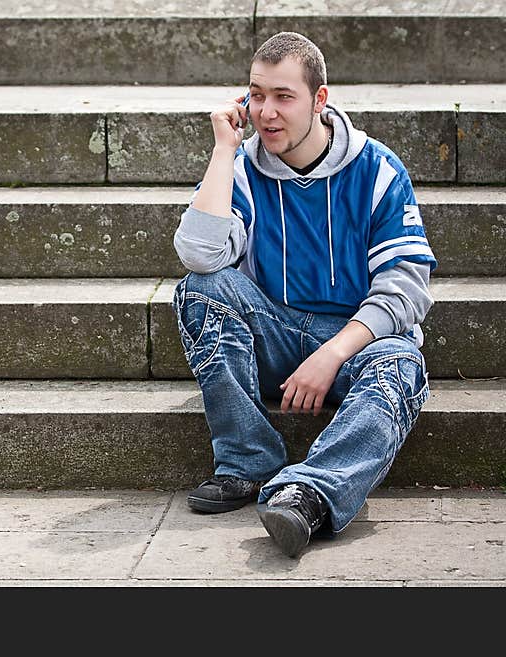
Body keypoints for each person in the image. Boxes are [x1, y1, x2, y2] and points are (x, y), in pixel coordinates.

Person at [171, 31, 437, 557]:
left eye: (284, 96)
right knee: (202, 290)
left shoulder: (377, 170)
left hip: (353, 347)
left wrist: (331, 354)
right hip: (272, 332)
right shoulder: (241, 169)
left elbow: (405, 286)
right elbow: (202, 258)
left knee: (404, 366)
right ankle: (247, 462)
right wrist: (224, 150)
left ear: (319, 100)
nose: (267, 111)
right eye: (256, 94)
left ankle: (309, 494)